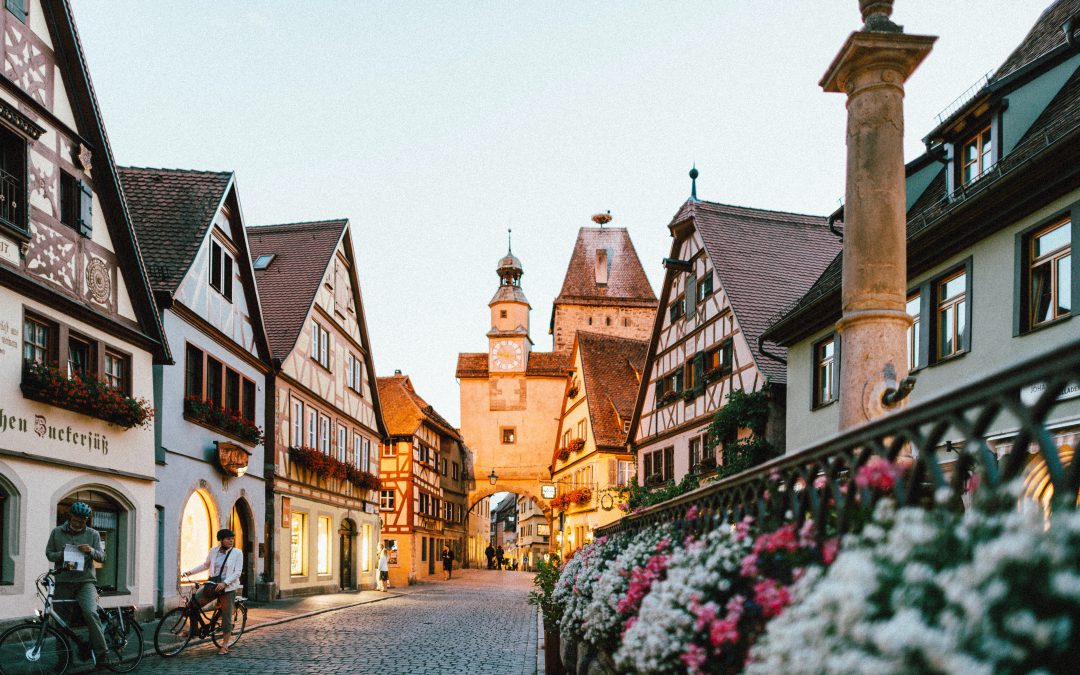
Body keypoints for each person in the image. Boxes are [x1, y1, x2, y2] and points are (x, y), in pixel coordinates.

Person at [45, 501, 109, 666]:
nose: (79, 524)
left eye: (82, 521)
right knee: (60, 622)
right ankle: (64, 660)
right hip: (63, 582)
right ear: (70, 517)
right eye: (76, 520)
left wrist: (91, 551)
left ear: (86, 520)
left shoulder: (93, 534)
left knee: (90, 613)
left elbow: (102, 557)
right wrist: (64, 554)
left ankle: (102, 656)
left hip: (85, 582)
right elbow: (49, 554)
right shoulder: (57, 532)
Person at [183, 528, 243, 655]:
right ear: (221, 540)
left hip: (228, 588)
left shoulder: (237, 553)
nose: (231, 541)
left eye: (232, 538)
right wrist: (190, 572)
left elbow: (237, 572)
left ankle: (225, 645)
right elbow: (206, 565)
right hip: (212, 586)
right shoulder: (214, 551)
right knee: (192, 605)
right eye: (228, 539)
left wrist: (225, 583)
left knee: (226, 616)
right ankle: (194, 630)